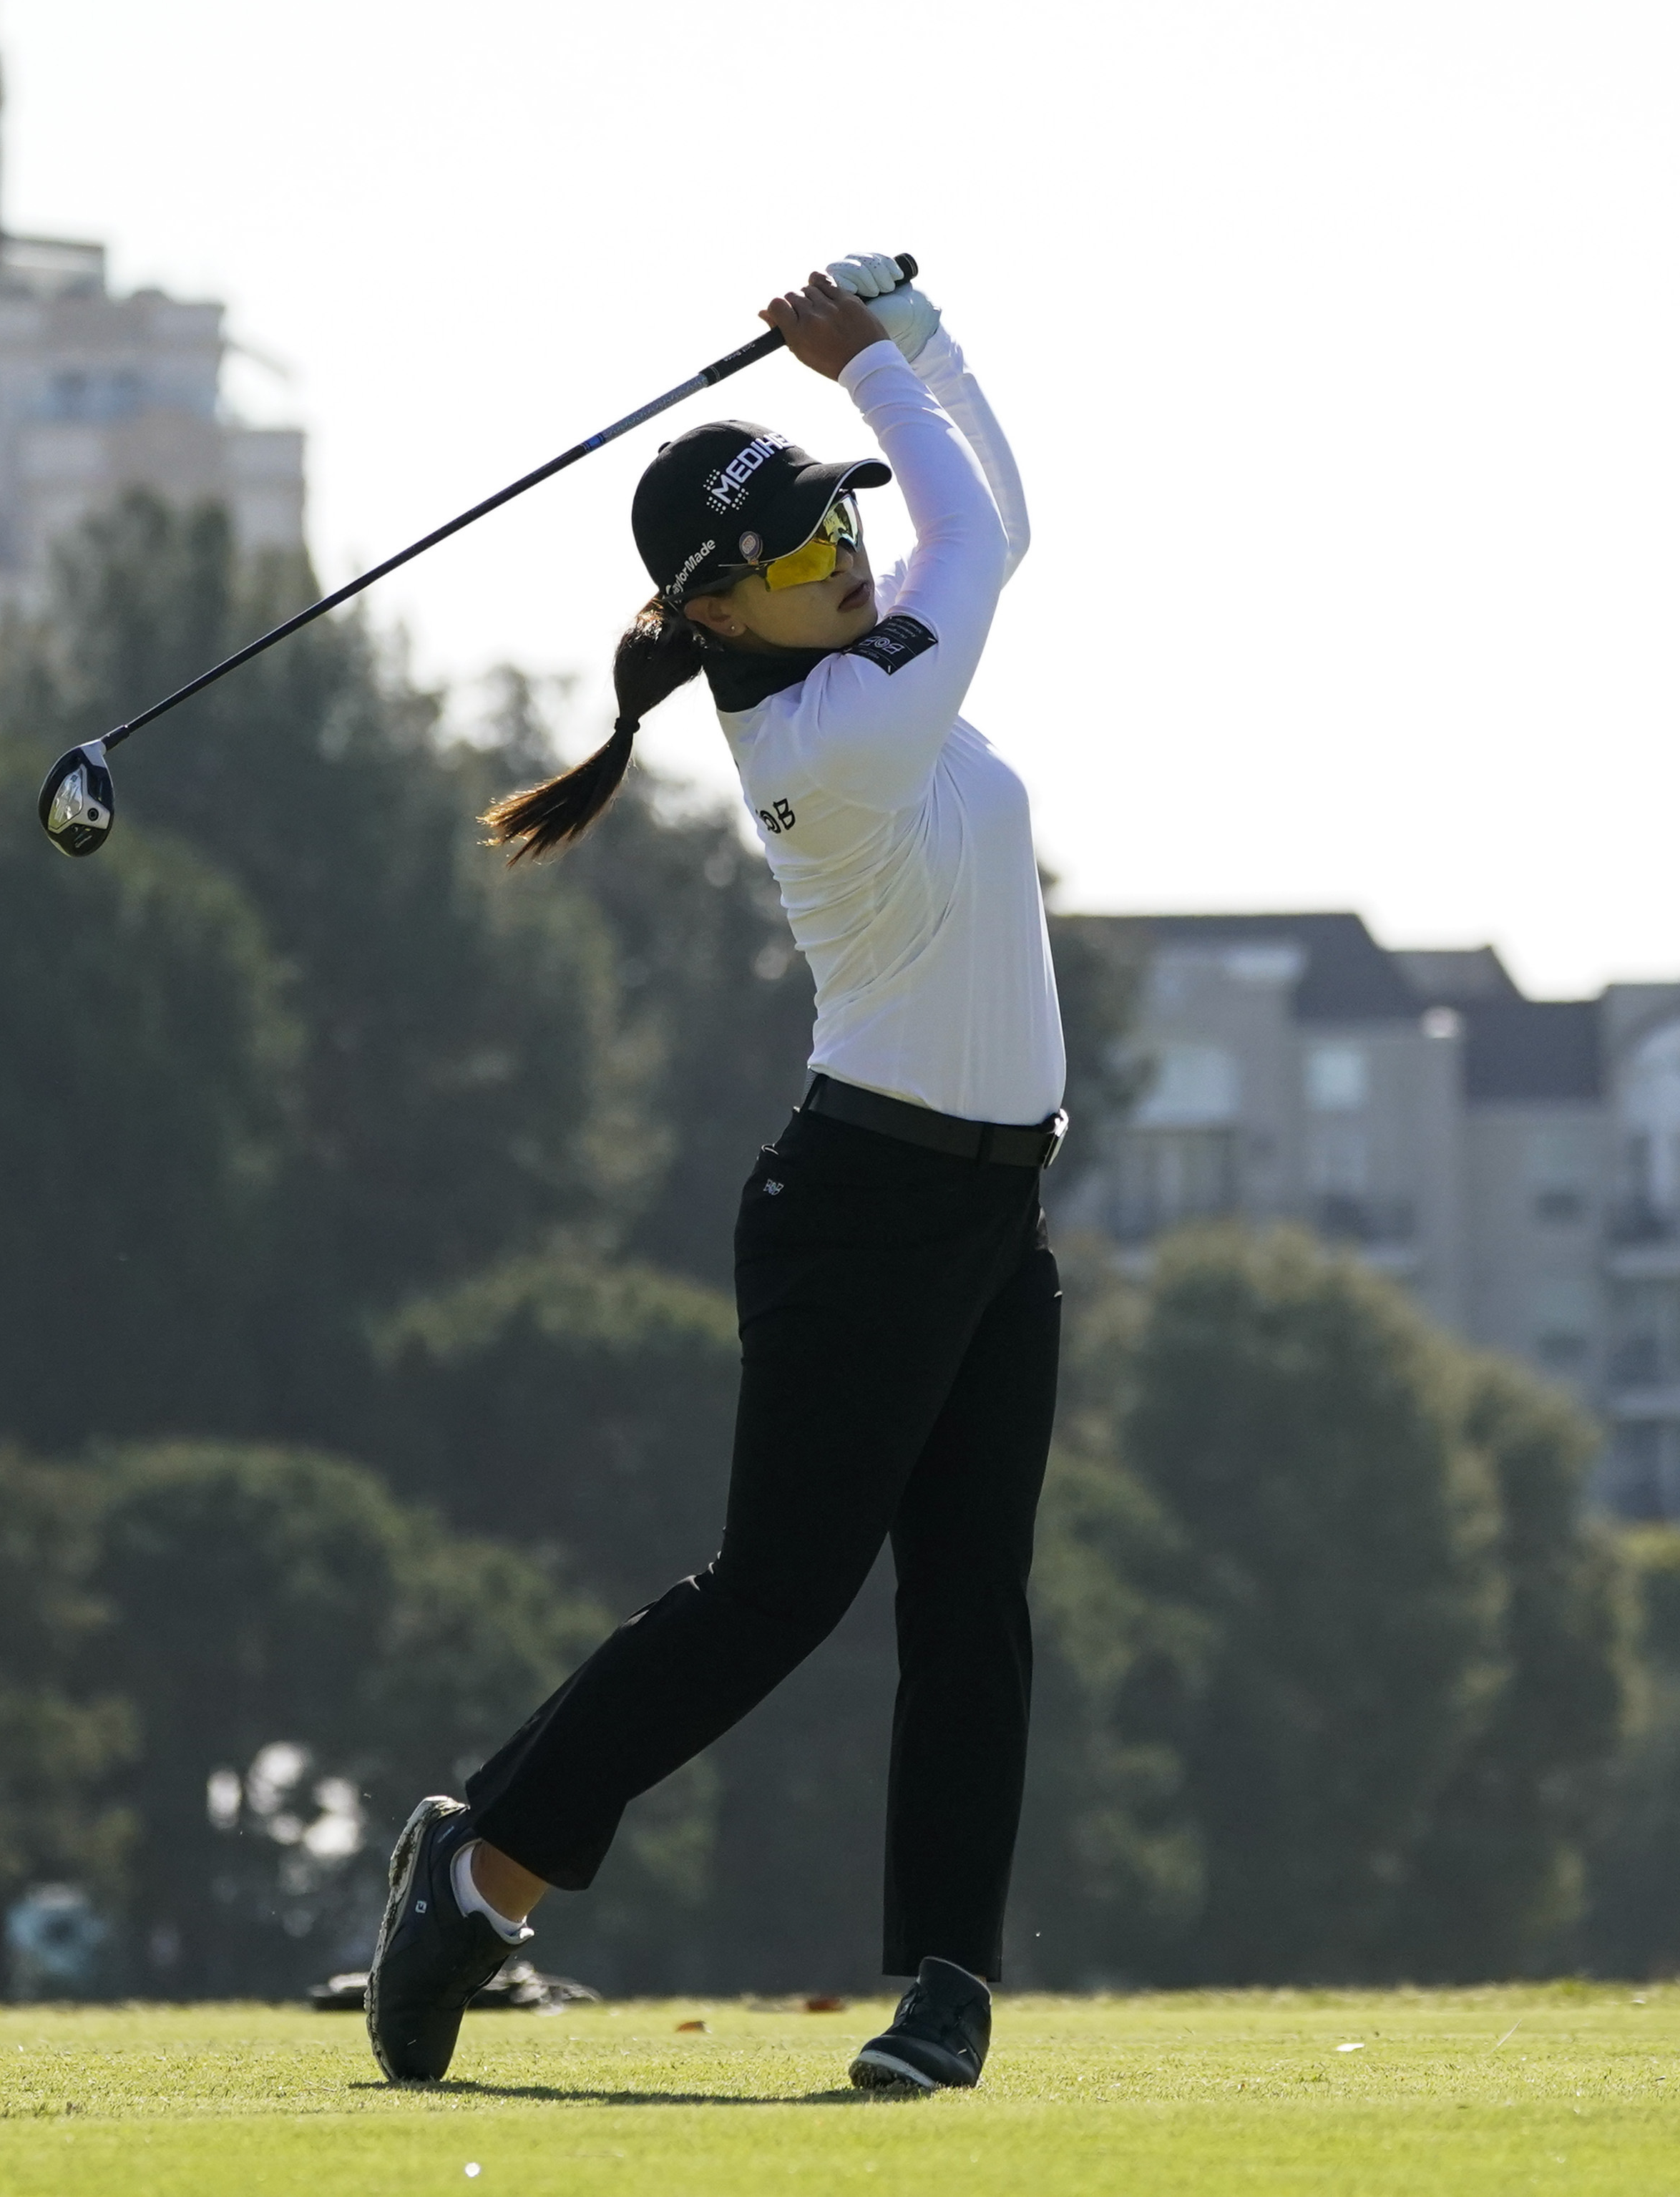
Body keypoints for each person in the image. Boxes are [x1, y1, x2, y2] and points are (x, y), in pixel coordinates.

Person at [362, 253, 1065, 2095]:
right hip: (866, 1211)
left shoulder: (857, 662)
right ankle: (482, 1861)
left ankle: (942, 1992)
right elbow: (974, 542)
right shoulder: (826, 736)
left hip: (993, 1211)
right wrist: (869, 376)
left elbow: (995, 522)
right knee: (775, 1598)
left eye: (836, 524)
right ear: (712, 612)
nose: (841, 555)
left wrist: (912, 349)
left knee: (971, 1606)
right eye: (794, 551)